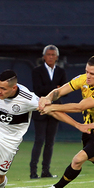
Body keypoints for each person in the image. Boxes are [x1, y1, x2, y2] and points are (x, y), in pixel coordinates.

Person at [35, 52, 94, 188]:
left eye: (92, 74)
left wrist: (52, 108)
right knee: (93, 156)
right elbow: (59, 91)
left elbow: (79, 107)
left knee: (78, 159)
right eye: (87, 71)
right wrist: (47, 98)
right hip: (89, 126)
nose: (88, 76)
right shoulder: (84, 79)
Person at [29, 45, 68, 179]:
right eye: (49, 54)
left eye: (53, 55)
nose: (51, 57)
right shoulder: (37, 71)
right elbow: (38, 89)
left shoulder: (61, 72)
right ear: (44, 56)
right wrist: (55, 89)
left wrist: (54, 90)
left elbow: (65, 91)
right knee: (39, 140)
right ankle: (33, 172)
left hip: (56, 109)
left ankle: (46, 171)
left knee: (50, 142)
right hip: (40, 109)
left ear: (57, 57)